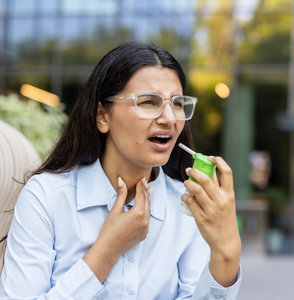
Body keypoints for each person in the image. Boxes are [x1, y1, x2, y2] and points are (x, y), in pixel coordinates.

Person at [0, 41, 242, 299]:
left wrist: (226, 253)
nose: (170, 118)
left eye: (178, 103)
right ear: (103, 116)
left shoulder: (187, 206)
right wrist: (107, 249)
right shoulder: (46, 197)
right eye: (149, 102)